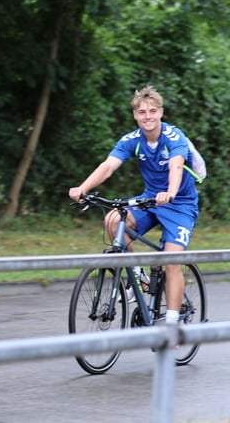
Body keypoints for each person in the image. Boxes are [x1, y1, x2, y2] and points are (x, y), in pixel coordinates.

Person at [68, 85, 199, 327]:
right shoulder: (132, 140)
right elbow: (108, 166)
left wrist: (170, 192)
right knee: (112, 220)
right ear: (135, 115)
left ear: (161, 112)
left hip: (179, 204)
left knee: (171, 261)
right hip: (150, 200)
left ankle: (172, 327)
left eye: (152, 111)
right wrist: (82, 188)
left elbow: (176, 166)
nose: (147, 116)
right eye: (142, 112)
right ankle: (136, 276)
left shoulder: (173, 137)